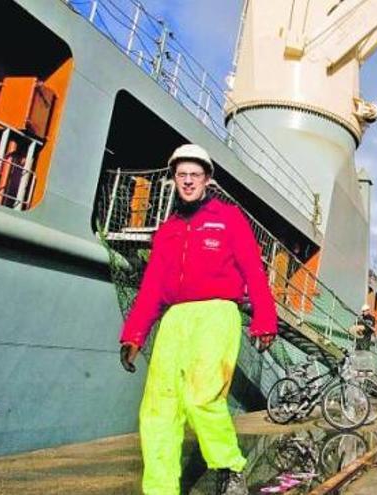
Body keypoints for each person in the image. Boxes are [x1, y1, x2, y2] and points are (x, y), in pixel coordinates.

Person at [118, 143, 278, 495]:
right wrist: (134, 334)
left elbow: (253, 268)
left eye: (195, 175)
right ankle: (160, 488)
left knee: (202, 398)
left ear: (207, 179)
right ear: (174, 179)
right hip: (174, 318)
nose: (188, 181)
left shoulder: (229, 218)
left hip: (217, 312)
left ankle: (229, 467)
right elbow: (151, 288)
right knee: (158, 406)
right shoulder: (167, 230)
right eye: (181, 175)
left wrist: (265, 318)